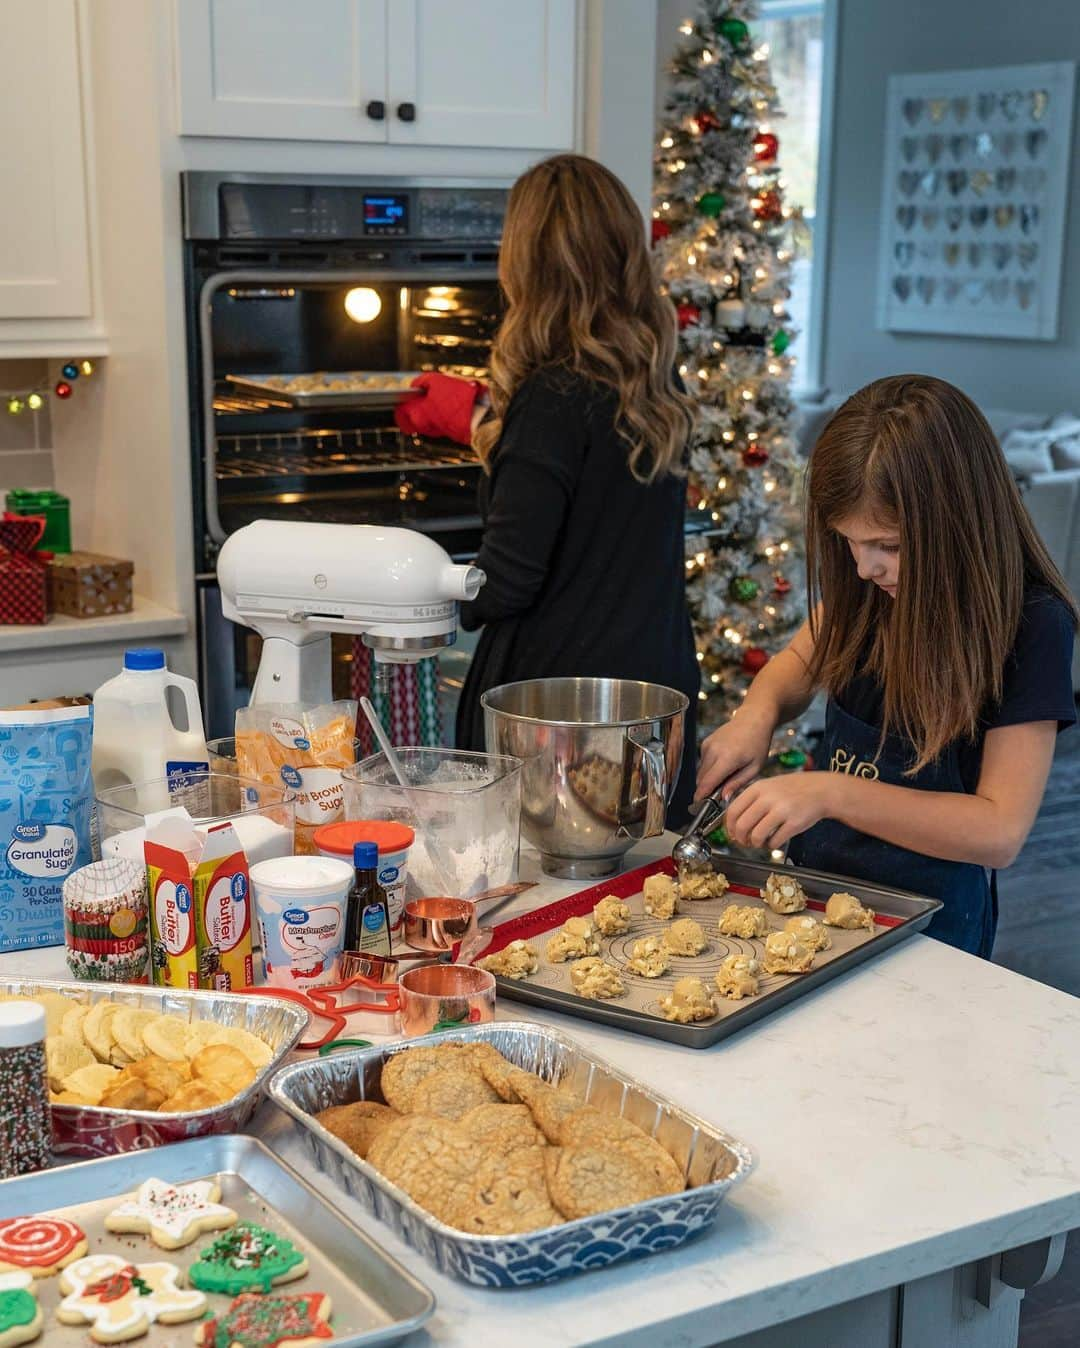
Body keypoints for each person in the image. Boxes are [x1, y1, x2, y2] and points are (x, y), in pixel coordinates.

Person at [695, 374, 1077, 957]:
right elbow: (798, 662)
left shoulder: (1031, 623)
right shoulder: (872, 586)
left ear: (958, 521)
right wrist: (758, 713)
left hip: (933, 929)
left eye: (889, 546)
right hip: (819, 893)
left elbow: (999, 832)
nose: (865, 567)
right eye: (848, 541)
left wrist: (830, 793)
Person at [396, 154, 699, 822]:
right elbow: (596, 500)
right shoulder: (654, 384)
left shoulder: (551, 396)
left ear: (526, 263)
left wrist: (417, 590)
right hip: (654, 696)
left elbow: (508, 582)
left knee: (553, 904)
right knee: (638, 897)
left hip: (560, 711)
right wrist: (487, 424)